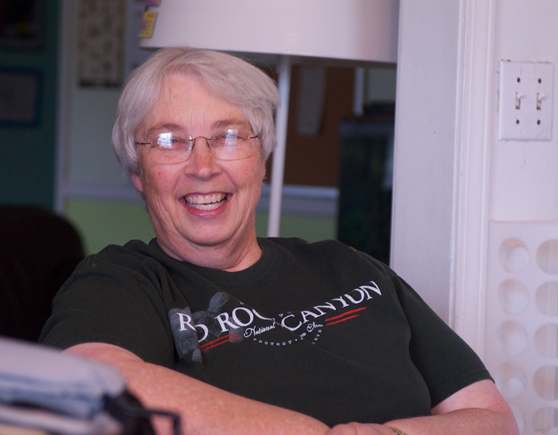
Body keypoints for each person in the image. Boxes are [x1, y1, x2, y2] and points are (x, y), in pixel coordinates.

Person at [39, 47, 518, 435]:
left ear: (262, 160)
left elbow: (492, 418)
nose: (203, 166)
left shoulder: (351, 267)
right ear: (137, 172)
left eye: (228, 136)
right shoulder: (120, 281)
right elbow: (94, 385)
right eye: (169, 140)